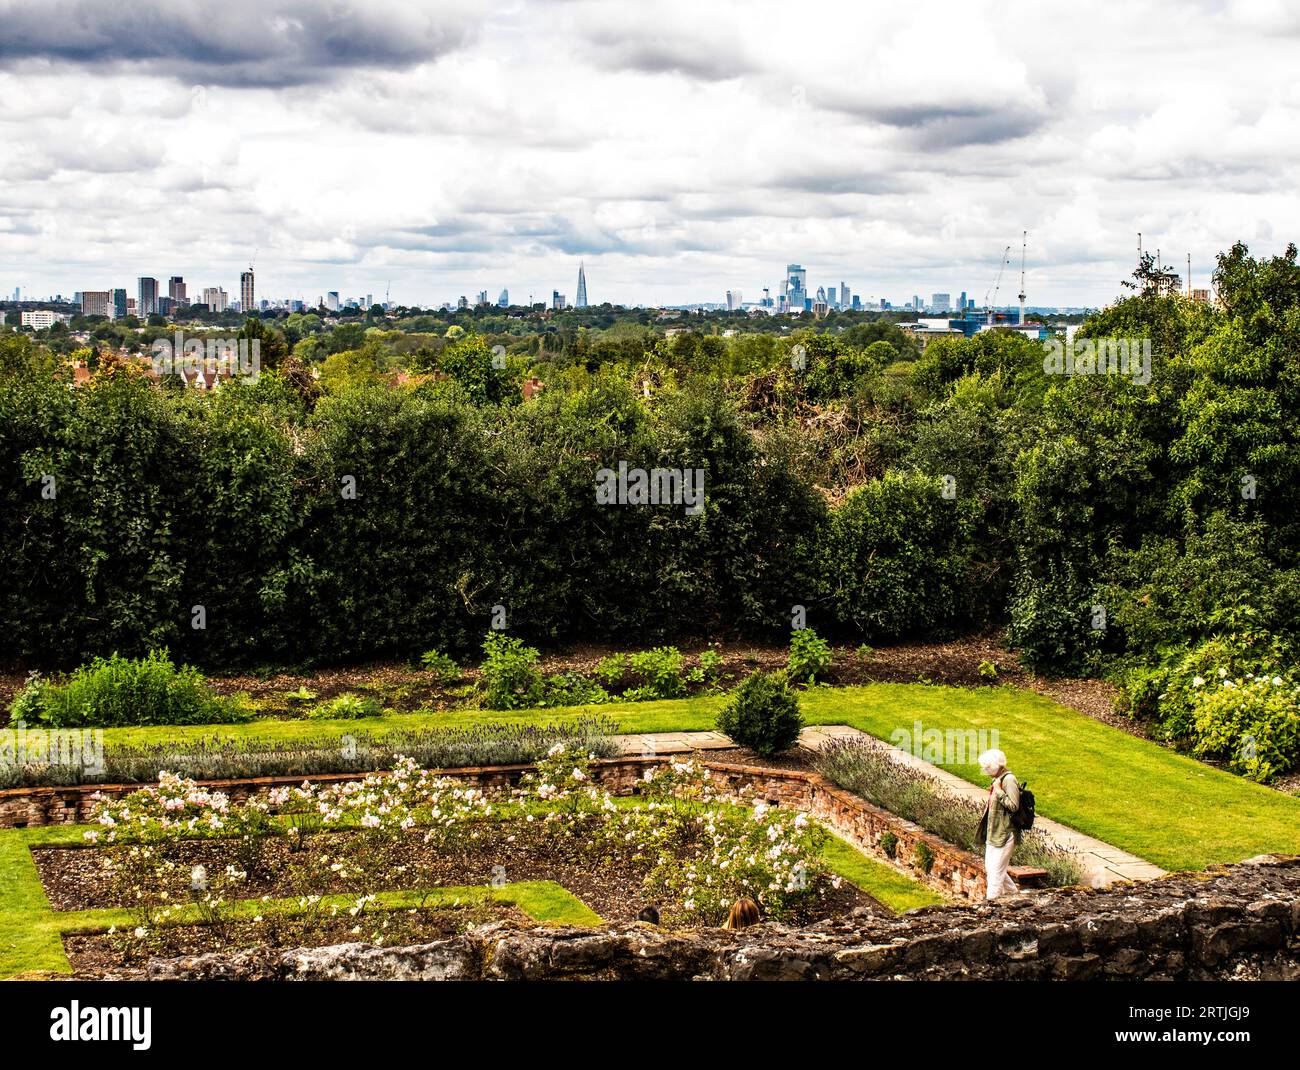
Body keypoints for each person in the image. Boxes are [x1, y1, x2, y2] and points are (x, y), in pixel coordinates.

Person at [975, 748, 1020, 900]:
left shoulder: (1009, 780)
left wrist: (999, 791)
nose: (985, 771)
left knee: (995, 874)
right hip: (994, 832)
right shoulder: (998, 779)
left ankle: (990, 908)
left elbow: (1014, 805)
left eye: (987, 767)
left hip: (1005, 833)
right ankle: (1013, 895)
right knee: (992, 869)